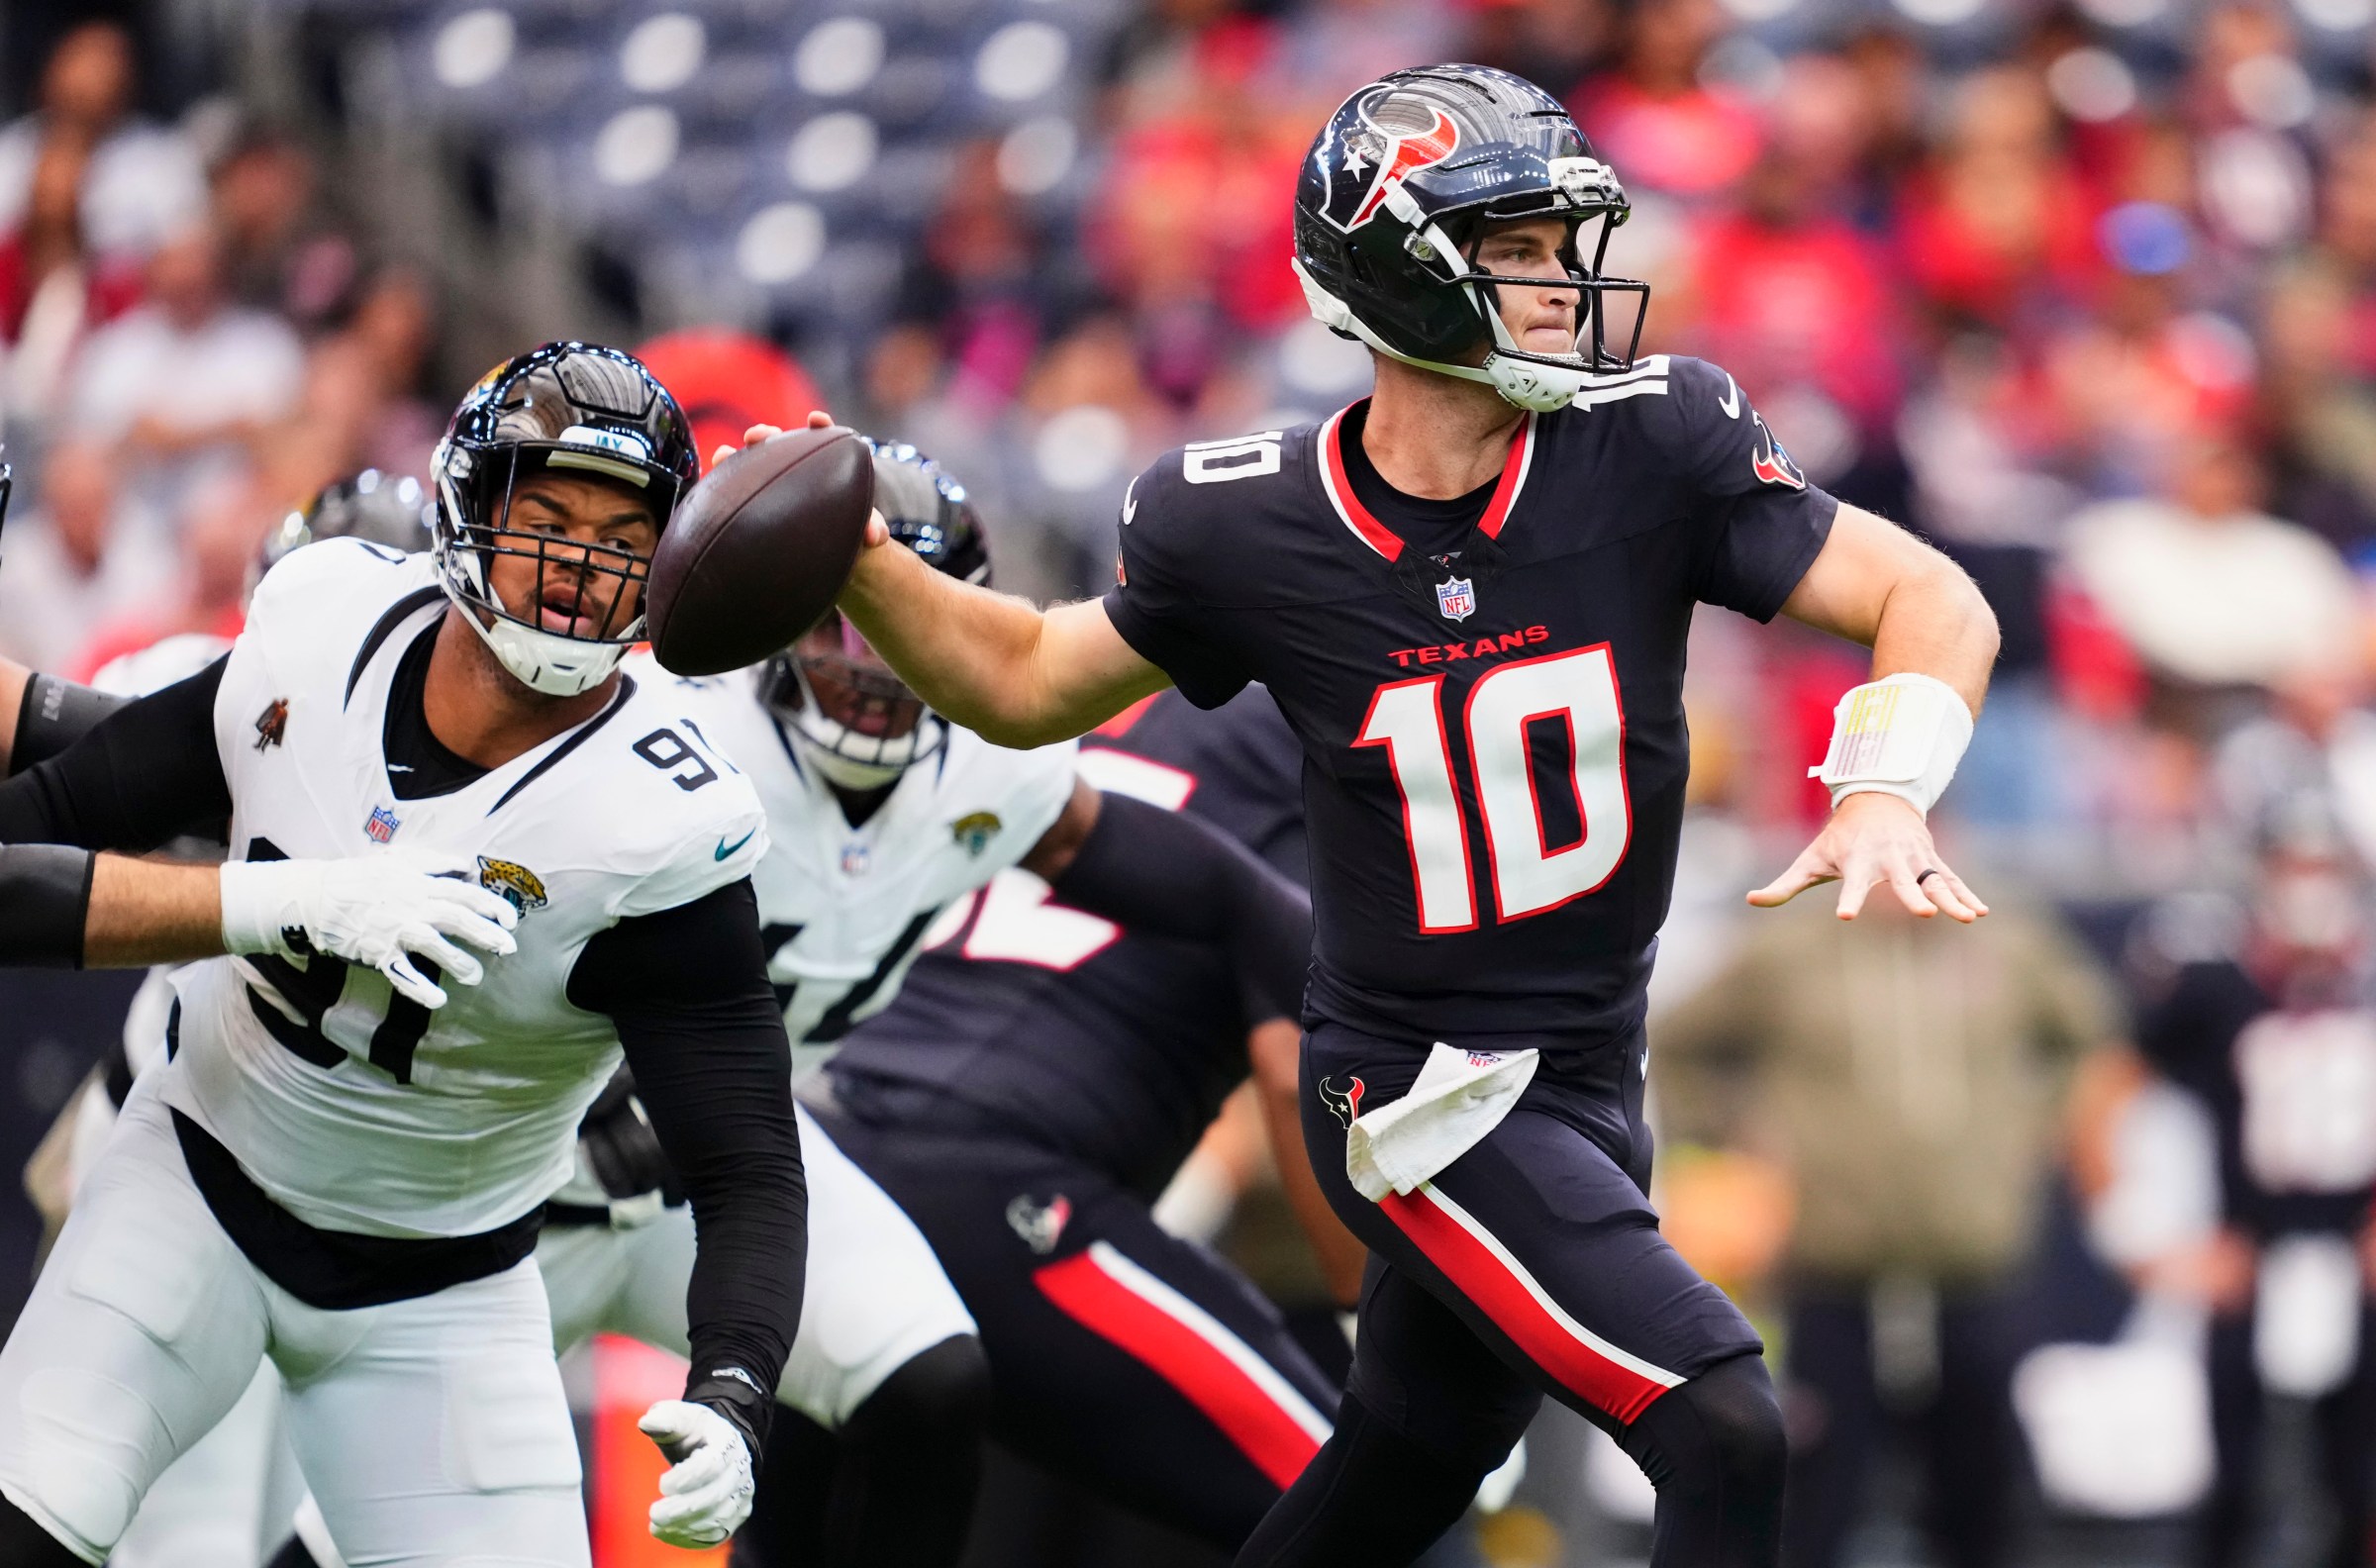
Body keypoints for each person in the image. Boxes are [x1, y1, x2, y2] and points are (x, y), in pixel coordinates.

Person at [765, 64, 2000, 1568]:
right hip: (1420, 1085)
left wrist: (1882, 781)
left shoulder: (1653, 442)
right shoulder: (1242, 517)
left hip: (1595, 1063)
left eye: (1568, 243)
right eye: (1522, 249)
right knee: (1719, 1416)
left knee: (1403, 1465)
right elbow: (1026, 680)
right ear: (1396, 269)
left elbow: (1926, 595)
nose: (1567, 283)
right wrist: (863, 563)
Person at [0, 341, 807, 1565]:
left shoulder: (666, 819)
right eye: (547, 516)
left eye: (620, 536)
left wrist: (739, 1390)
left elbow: (748, 1162)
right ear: (468, 507)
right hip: (195, 1188)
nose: (582, 568)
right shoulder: (320, 628)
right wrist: (273, 904)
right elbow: (53, 820)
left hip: (443, 1298)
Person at [516, 440, 1312, 1568]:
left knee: (926, 1373)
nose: (878, 663)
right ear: (776, 616)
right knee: (411, 1529)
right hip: (515, 1179)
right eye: (845, 619)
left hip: (716, 1188)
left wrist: (1391, 1002)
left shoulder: (990, 769)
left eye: (901, 621)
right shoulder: (668, 732)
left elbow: (1226, 896)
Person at [785, 683, 1368, 1559]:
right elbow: (1296, 1069)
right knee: (1375, 1504)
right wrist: (1375, 1315)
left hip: (834, 1169)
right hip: (1006, 1191)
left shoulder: (1113, 705)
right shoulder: (1316, 741)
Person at [1653, 870, 2126, 1568]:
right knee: (1820, 1489)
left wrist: (2037, 1129)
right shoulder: (1789, 948)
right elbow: (1679, 1040)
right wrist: (1735, 1141)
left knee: (1980, 1486)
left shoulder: (2007, 938)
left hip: (1973, 1258)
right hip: (1833, 1262)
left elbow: (2092, 1034)